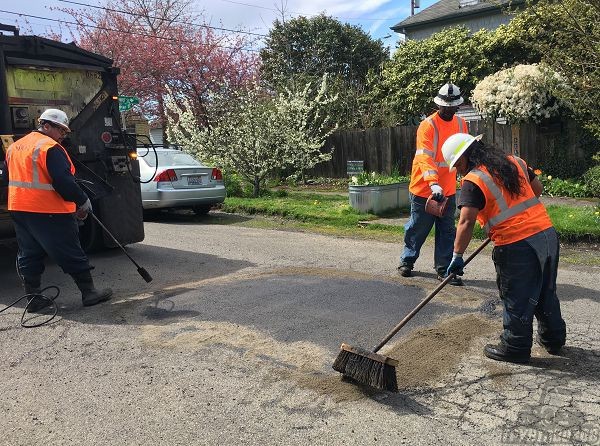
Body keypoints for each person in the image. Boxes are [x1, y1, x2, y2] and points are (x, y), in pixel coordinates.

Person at [442, 133, 566, 363]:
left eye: (458, 164)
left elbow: (466, 221)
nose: (458, 171)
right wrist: (506, 215)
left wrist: (457, 255)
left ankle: (515, 346)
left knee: (516, 295)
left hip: (517, 244)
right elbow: (536, 189)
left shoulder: (473, 180)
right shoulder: (513, 161)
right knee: (545, 289)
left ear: (467, 156)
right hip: (546, 235)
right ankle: (554, 339)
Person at [6, 108, 112, 311]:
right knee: (69, 250)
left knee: (28, 253)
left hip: (19, 208)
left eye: (65, 132)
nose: (63, 136)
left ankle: (33, 299)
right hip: (48, 210)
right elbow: (63, 181)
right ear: (46, 126)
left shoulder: (15, 147)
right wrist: (82, 200)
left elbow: (7, 179)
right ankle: (89, 292)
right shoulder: (49, 147)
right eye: (61, 131)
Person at [398, 83, 468, 286]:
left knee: (447, 231)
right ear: (439, 105)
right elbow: (424, 158)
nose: (448, 109)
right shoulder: (428, 125)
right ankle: (407, 261)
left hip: (447, 190)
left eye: (452, 106)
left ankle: (444, 270)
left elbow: (465, 156)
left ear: (457, 106)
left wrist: (467, 181)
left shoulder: (462, 125)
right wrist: (433, 184)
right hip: (424, 189)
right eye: (445, 106)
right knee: (418, 227)